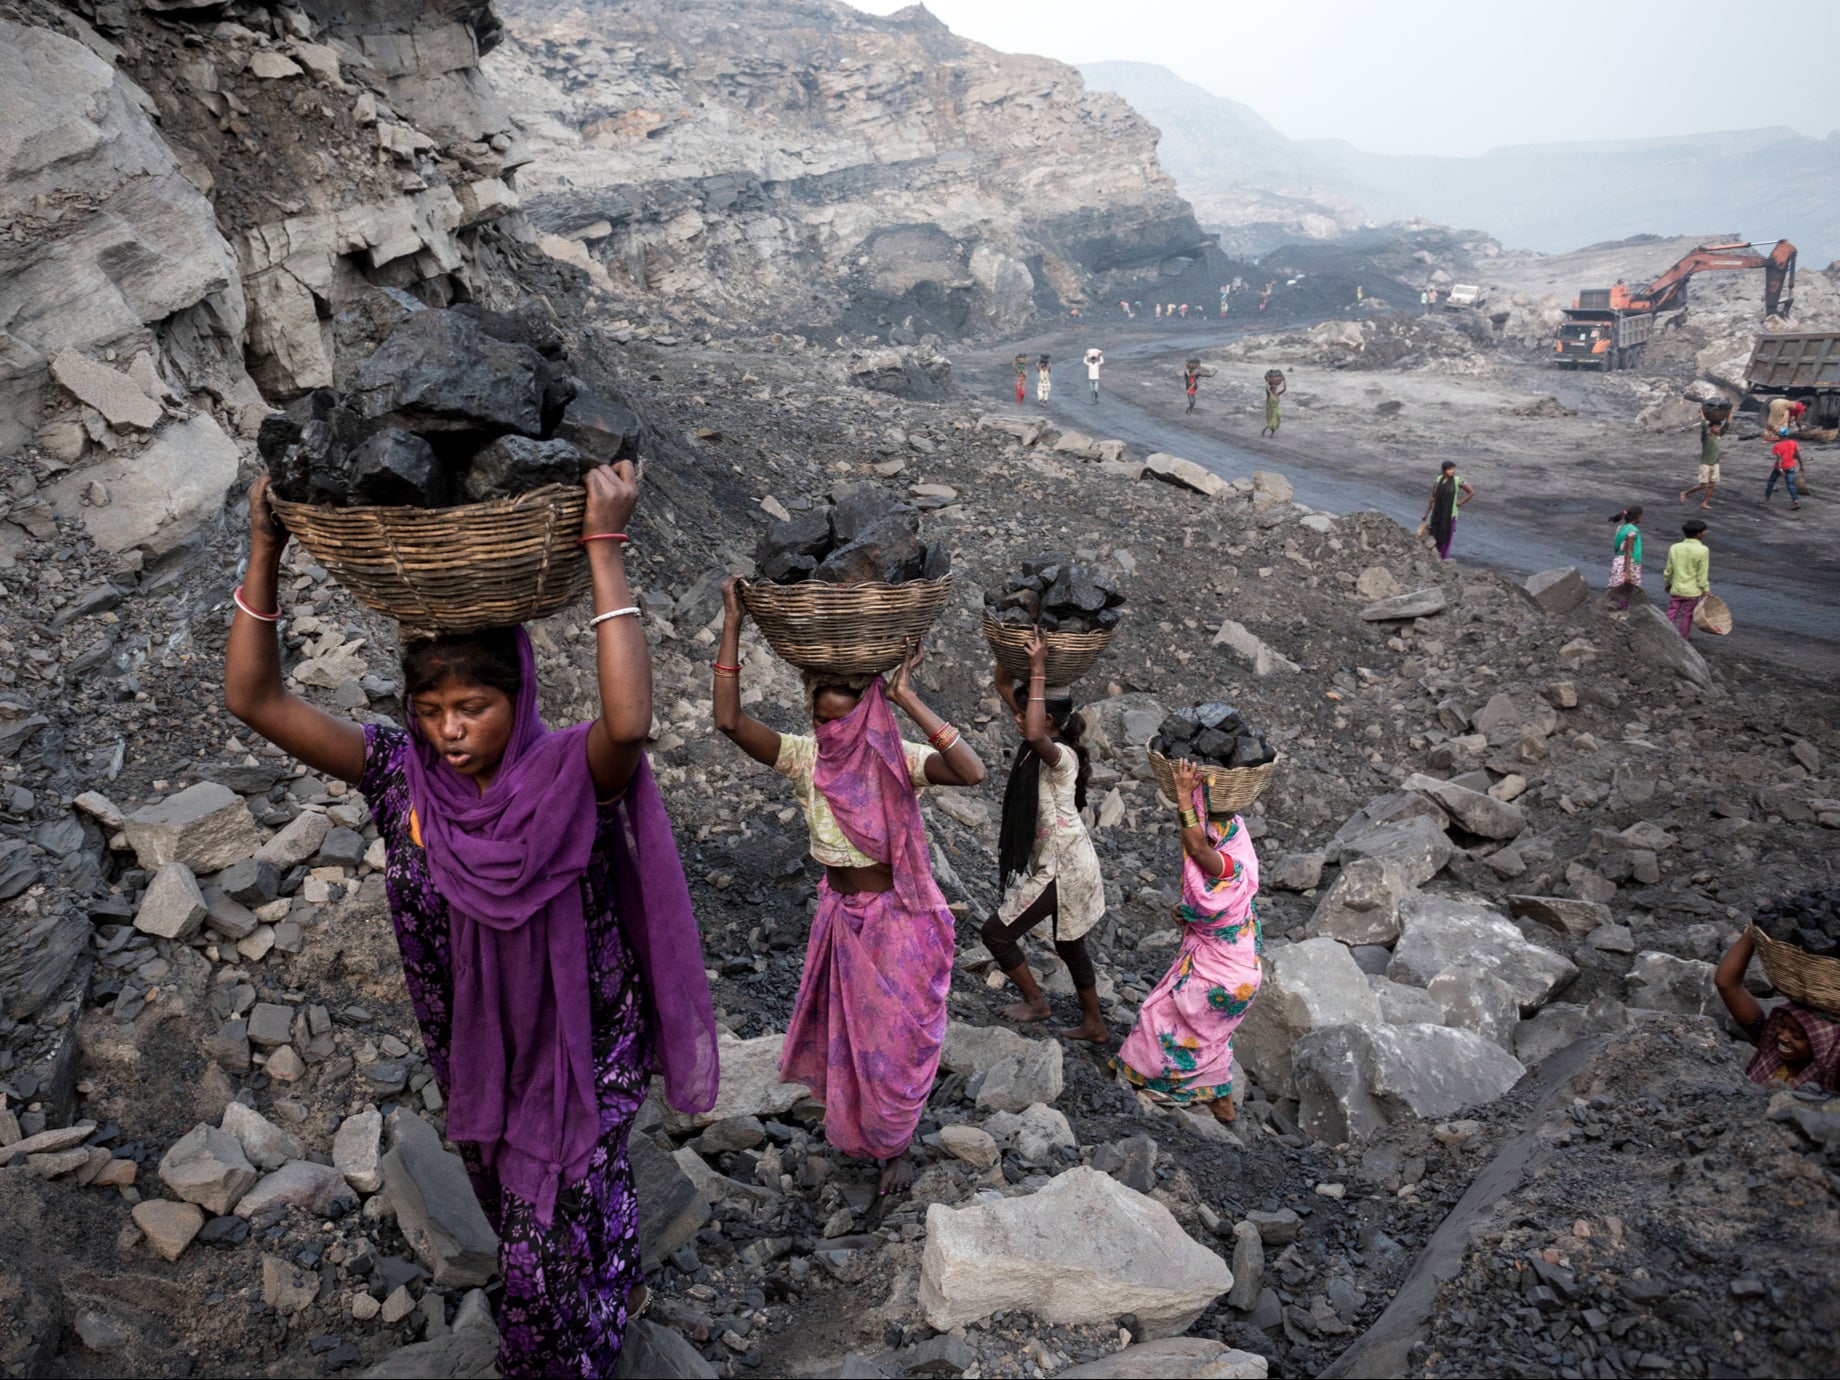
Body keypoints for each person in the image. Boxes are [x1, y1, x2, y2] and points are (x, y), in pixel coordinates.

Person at [224, 466, 718, 1376]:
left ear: (517, 696)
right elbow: (255, 702)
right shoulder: (397, 778)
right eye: (432, 710)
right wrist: (265, 547)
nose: (450, 729)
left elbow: (631, 720)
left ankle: (564, 1355)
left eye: (473, 707)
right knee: (527, 1199)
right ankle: (615, 1284)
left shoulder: (573, 774)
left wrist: (604, 550)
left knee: (537, 1257)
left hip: (581, 1043)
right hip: (477, 1048)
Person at [712, 587, 986, 1193]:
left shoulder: (898, 759)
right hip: (841, 915)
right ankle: (861, 1131)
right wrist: (732, 623)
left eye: (840, 719)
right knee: (853, 1034)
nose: (827, 729)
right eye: (819, 718)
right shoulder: (805, 758)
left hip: (900, 920)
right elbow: (728, 721)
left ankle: (895, 1145)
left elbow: (973, 771)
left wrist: (908, 695)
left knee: (896, 1041)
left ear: (864, 717)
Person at [1113, 758, 1262, 1123]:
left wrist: (1183, 796)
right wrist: (1188, 914)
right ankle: (1223, 1109)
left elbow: (1197, 849)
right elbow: (1208, 909)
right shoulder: (1238, 846)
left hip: (1219, 977)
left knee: (1158, 1015)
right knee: (1212, 1037)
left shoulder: (1229, 868)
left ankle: (1160, 1088)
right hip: (1241, 974)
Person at [979, 634, 1107, 1043]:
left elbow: (1033, 733)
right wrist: (1013, 651)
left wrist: (1037, 670)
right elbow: (1003, 685)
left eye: (1027, 714)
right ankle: (1095, 1025)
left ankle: (1036, 1001)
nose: (1018, 719)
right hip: (1066, 859)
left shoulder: (1060, 756)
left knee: (996, 933)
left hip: (1063, 867)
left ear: (1049, 722)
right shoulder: (1042, 736)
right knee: (1070, 946)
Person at [1715, 932, 1840, 1092]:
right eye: (1781, 1026)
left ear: (1822, 1044)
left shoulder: (1831, 1076)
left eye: (1797, 1035)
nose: (1782, 1036)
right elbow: (1726, 984)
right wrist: (1755, 928)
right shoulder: (1769, 1046)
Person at [1661, 518, 1711, 639]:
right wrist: (1706, 590)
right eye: (1704, 532)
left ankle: (1666, 637)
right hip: (1692, 592)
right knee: (1687, 616)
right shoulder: (1703, 550)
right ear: (1698, 534)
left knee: (1671, 613)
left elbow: (1668, 570)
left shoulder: (1675, 547)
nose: (1705, 533)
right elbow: (1701, 574)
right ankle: (1683, 639)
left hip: (1677, 589)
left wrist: (1667, 582)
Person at [1419, 461, 1473, 561]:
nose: (1452, 471)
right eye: (1449, 469)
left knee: (1446, 537)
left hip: (1449, 515)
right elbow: (1433, 498)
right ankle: (1433, 558)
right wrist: (1426, 514)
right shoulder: (1438, 479)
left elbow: (1471, 492)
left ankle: (1442, 559)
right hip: (1437, 514)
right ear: (1444, 470)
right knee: (1434, 534)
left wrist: (1460, 503)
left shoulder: (1458, 480)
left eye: (1453, 469)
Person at [1680, 416, 1724, 510]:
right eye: (1716, 427)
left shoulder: (1718, 436)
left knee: (1712, 485)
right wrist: (1702, 415)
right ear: (1711, 427)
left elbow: (1727, 425)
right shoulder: (1705, 438)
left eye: (1719, 427)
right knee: (1702, 485)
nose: (1718, 428)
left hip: (1715, 464)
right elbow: (1703, 427)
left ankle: (1705, 503)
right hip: (1705, 464)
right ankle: (1685, 493)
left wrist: (1729, 414)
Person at [1607, 505, 1644, 609]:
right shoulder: (1632, 532)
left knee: (1615, 589)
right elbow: (1628, 551)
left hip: (1617, 562)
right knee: (1626, 592)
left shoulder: (1620, 528)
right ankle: (1621, 614)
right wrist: (1627, 572)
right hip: (1627, 563)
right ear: (1637, 517)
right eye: (1641, 516)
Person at [1766, 435, 1802, 510]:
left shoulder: (1777, 446)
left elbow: (1779, 458)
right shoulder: (1793, 443)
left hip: (1780, 467)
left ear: (1780, 436)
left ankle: (1767, 499)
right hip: (1791, 467)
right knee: (1790, 484)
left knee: (1771, 481)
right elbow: (1797, 455)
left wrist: (1780, 469)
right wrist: (1801, 465)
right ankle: (1795, 501)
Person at [1261, 371, 1286, 437]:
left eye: (1276, 388)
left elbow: (1284, 389)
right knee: (1271, 422)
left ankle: (1272, 434)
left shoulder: (1277, 394)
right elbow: (1266, 389)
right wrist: (1268, 382)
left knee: (1275, 422)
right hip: (1270, 410)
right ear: (1272, 389)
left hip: (1276, 410)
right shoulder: (1269, 394)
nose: (1275, 389)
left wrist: (1284, 381)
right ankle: (1265, 429)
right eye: (1274, 389)